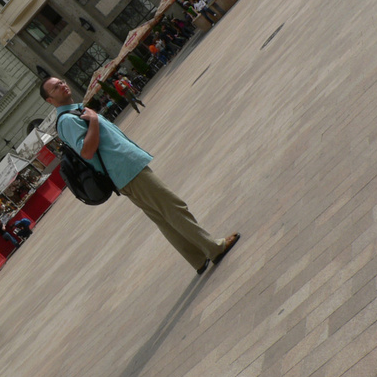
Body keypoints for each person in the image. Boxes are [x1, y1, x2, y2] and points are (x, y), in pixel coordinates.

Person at [40, 77, 240, 275]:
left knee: (162, 216)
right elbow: (86, 151)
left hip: (123, 171)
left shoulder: (75, 112)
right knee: (173, 207)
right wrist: (93, 121)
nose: (62, 86)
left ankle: (197, 258)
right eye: (55, 88)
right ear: (50, 100)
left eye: (62, 82)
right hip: (126, 170)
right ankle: (213, 248)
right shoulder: (67, 120)